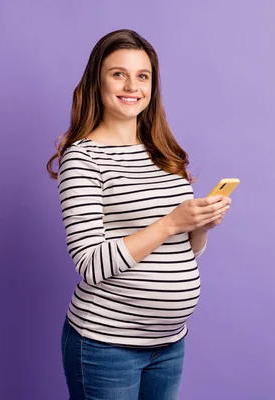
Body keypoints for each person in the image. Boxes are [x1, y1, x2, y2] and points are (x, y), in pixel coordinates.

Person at [46, 29, 232, 400]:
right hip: (106, 346)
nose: (132, 85)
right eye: (119, 74)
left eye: (143, 76)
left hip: (170, 343)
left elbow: (184, 250)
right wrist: (172, 222)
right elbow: (90, 263)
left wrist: (200, 226)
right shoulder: (83, 158)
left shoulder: (162, 151)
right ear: (97, 81)